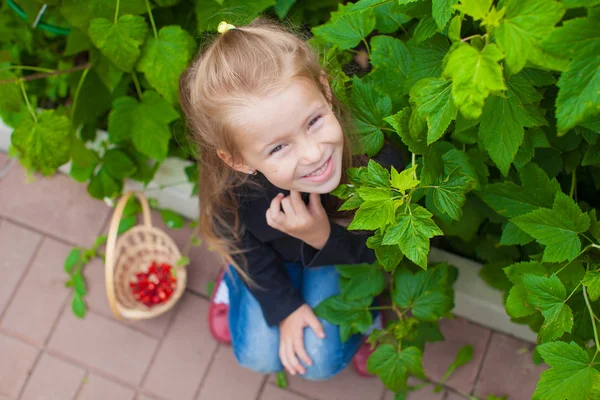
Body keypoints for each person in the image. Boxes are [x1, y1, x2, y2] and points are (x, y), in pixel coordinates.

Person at [179, 18, 401, 381]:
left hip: (341, 255)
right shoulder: (237, 185)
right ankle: (237, 279)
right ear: (238, 160)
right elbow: (237, 237)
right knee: (257, 355)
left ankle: (368, 313)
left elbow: (385, 250)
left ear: (325, 91)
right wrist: (284, 307)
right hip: (270, 255)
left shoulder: (376, 159)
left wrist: (322, 237)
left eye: (313, 121)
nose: (313, 154)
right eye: (279, 147)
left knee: (319, 362)